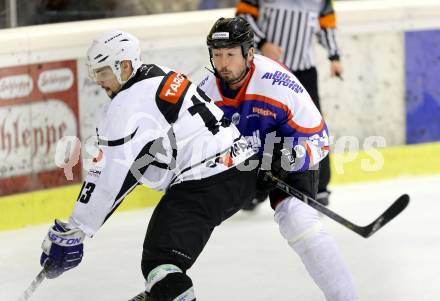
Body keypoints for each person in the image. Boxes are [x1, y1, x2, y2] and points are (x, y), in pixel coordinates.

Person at [39, 30, 258, 301]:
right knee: (162, 263)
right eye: (94, 73)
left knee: (160, 261)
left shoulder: (126, 104)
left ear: (125, 66)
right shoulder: (159, 74)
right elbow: (135, 166)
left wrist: (75, 229)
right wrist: (83, 227)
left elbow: (107, 174)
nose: (99, 81)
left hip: (207, 180)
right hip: (241, 168)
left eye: (104, 72)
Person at [198, 17, 358, 301]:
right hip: (240, 163)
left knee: (298, 220)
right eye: (217, 55)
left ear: (249, 54)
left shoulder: (278, 83)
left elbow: (319, 141)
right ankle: (166, 281)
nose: (223, 63)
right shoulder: (203, 90)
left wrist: (288, 158)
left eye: (231, 55)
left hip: (286, 157)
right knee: (190, 208)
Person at [236, 0, 344, 206]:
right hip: (266, 72)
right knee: (259, 128)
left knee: (313, 127)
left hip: (303, 71)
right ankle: (254, 186)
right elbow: (243, 18)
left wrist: (334, 56)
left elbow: (326, 25)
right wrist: (262, 42)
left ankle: (319, 186)